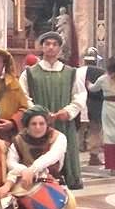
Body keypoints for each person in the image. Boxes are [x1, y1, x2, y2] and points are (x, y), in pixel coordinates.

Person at [19, 31, 86, 189]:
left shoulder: (71, 73)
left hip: (63, 123)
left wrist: (68, 111)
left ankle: (68, 180)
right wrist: (37, 113)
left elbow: (80, 95)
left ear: (60, 49)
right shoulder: (29, 73)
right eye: (47, 44)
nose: (51, 47)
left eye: (55, 44)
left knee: (65, 154)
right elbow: (23, 96)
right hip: (38, 125)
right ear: (41, 47)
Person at [8, 105, 71, 209]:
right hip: (27, 182)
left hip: (51, 180)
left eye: (41, 123)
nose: (38, 127)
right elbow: (10, 162)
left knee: (67, 206)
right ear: (27, 125)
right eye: (33, 124)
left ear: (47, 124)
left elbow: (52, 156)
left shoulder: (58, 137)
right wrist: (24, 171)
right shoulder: (18, 140)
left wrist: (32, 169)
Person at [76, 48, 106, 165]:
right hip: (95, 106)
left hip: (78, 104)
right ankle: (94, 156)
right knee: (95, 131)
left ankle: (75, 155)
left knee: (78, 131)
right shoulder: (101, 72)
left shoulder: (76, 71)